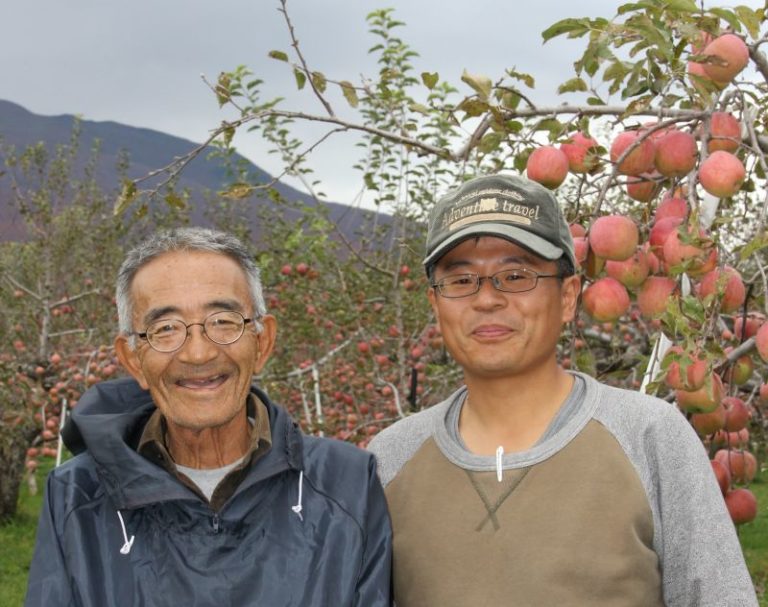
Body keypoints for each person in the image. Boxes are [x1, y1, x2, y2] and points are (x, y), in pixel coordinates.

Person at [368, 174, 757, 606]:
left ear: (568, 296)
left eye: (515, 275)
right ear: (436, 304)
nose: (487, 299)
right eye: (461, 281)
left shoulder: (647, 437)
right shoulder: (389, 460)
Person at [25, 227, 392, 607]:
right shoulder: (77, 497)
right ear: (133, 359)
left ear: (262, 342)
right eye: (166, 329)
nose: (198, 354)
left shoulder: (346, 483)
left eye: (222, 321)